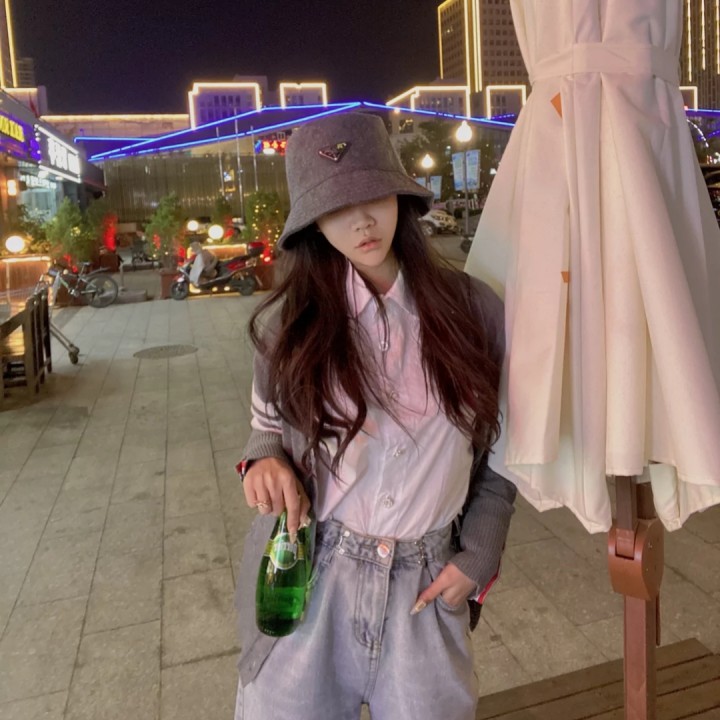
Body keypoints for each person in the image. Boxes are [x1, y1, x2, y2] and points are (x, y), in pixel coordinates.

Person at [234, 112, 516, 720]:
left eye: (373, 197)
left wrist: (480, 553)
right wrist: (264, 461)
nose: (362, 221)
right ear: (313, 223)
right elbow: (266, 431)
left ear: (399, 197)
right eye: (336, 208)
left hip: (424, 584)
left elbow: (507, 445)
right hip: (311, 574)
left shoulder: (474, 313)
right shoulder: (289, 328)